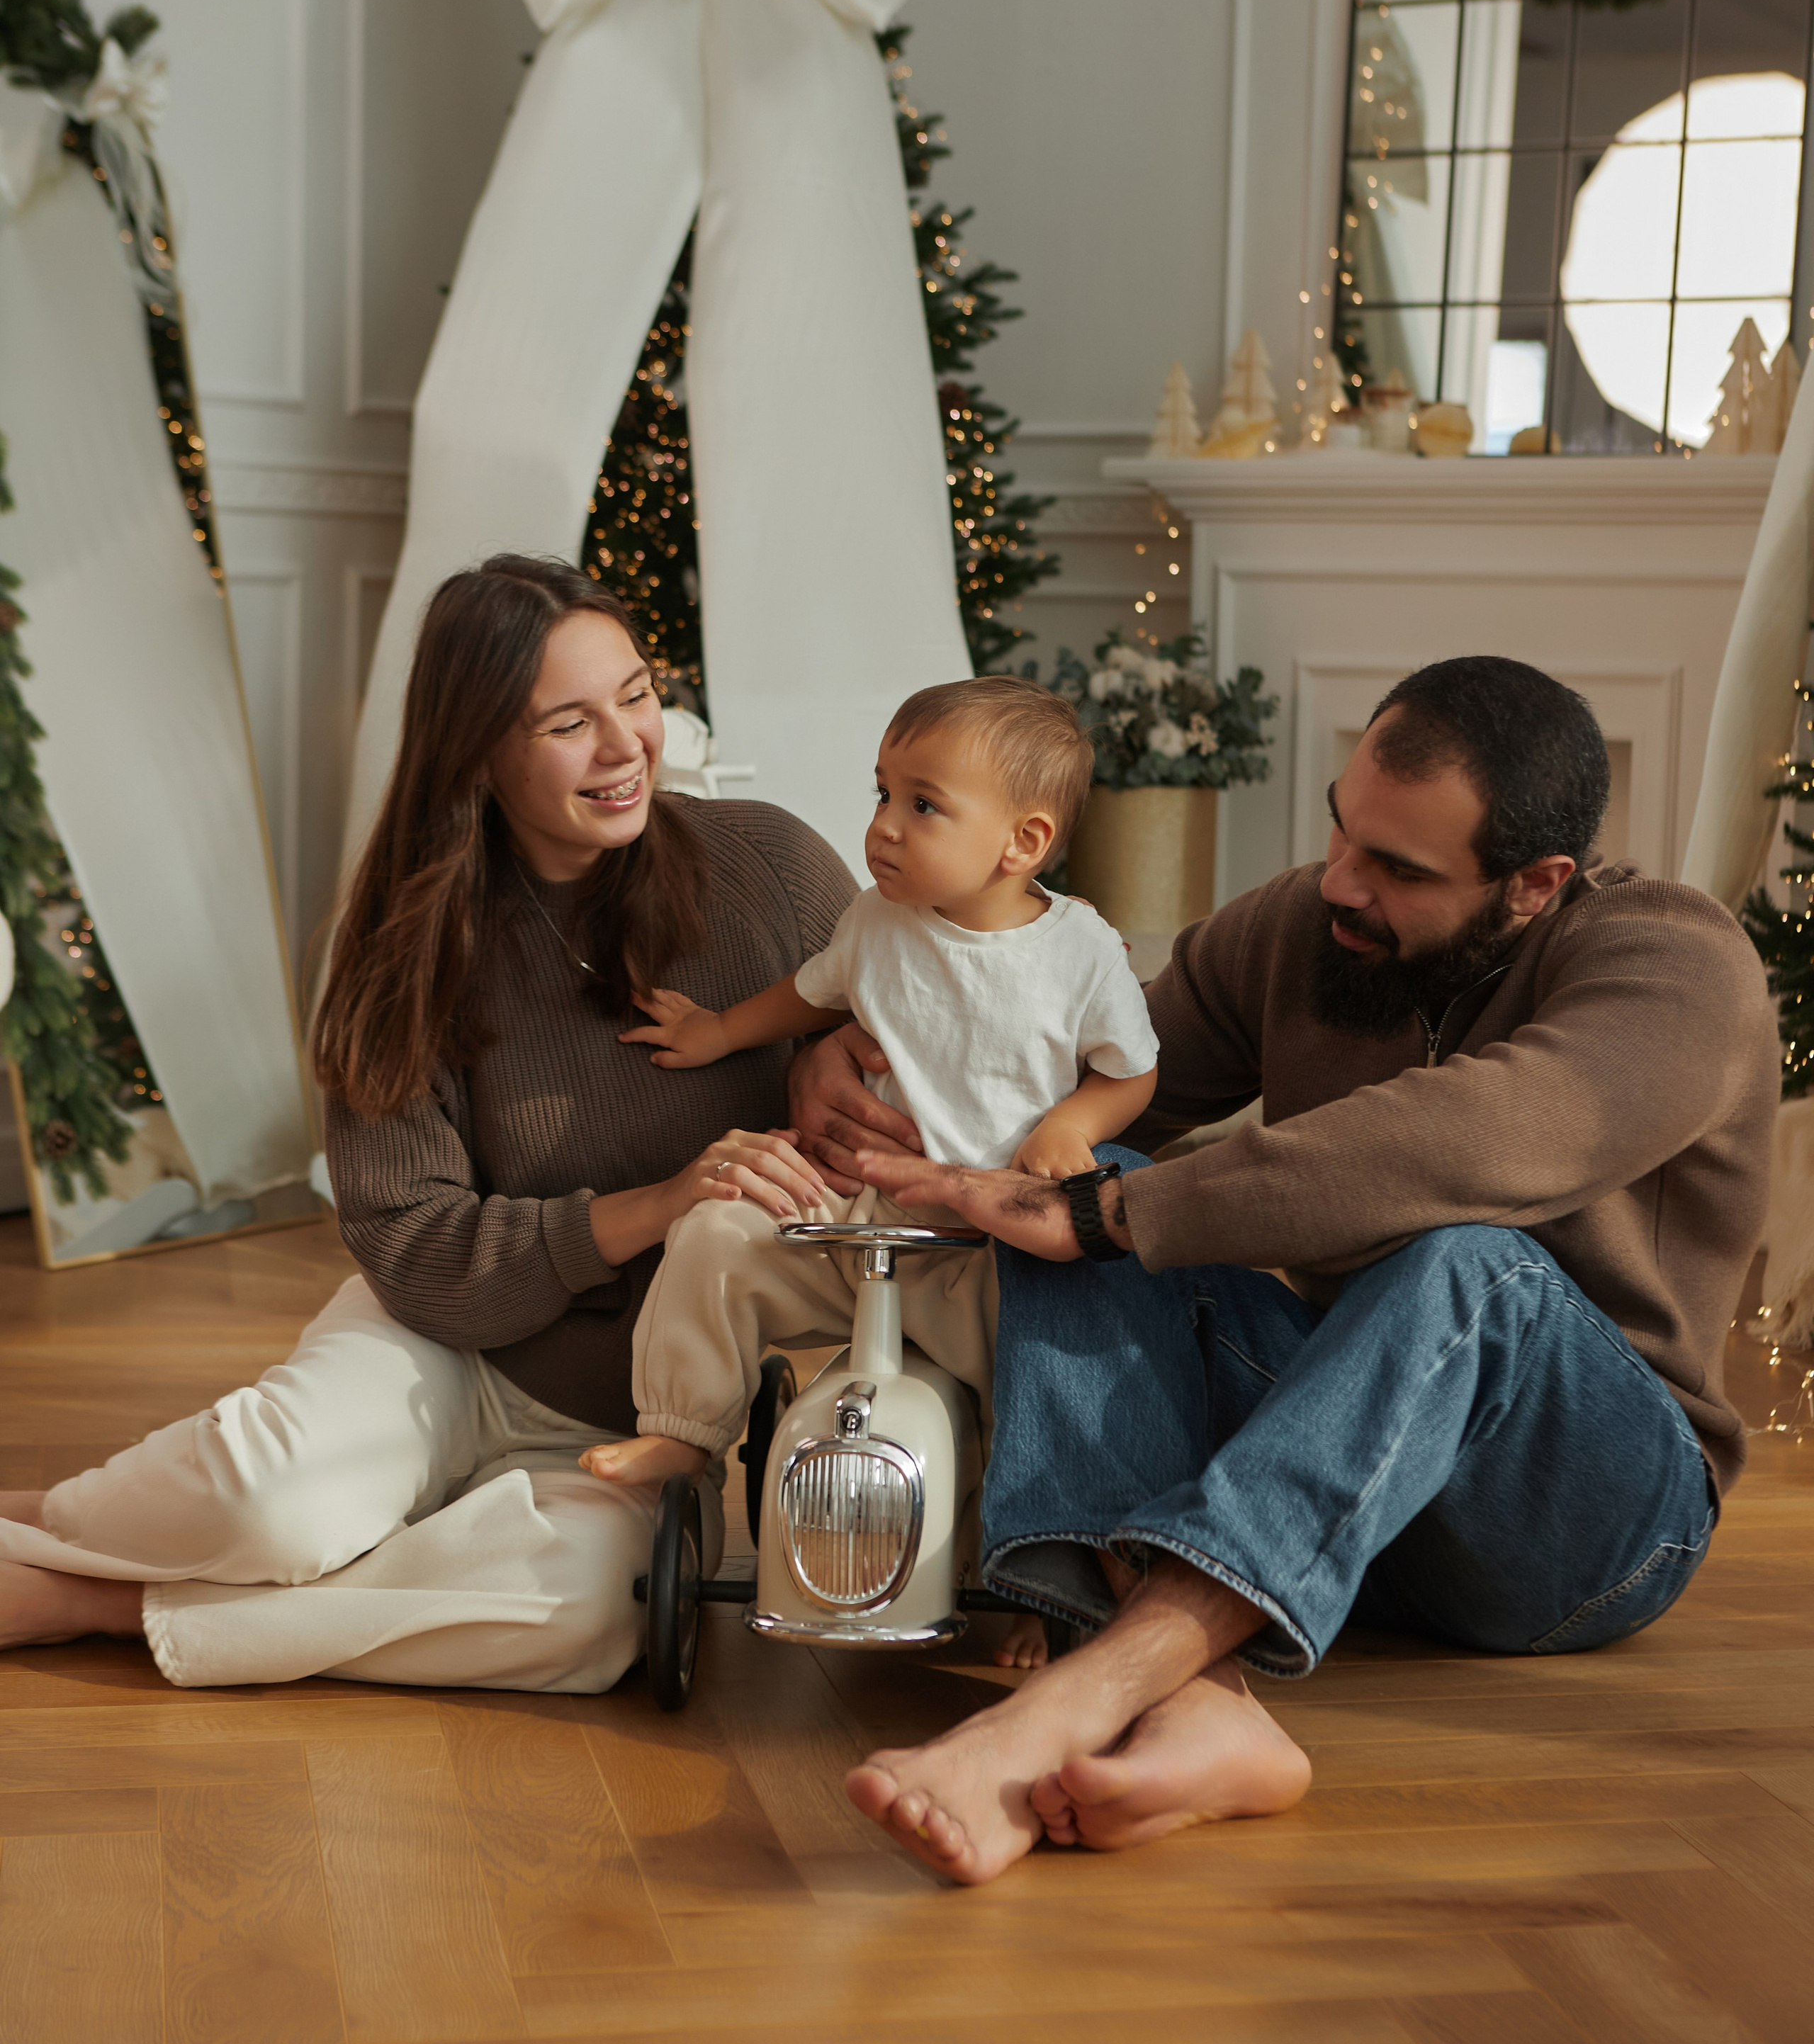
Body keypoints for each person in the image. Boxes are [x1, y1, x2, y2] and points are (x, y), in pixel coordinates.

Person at [782, 656, 1780, 1885]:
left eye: (1400, 870)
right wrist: (848, 1059)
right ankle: (1196, 1699)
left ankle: (1076, 1705)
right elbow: (1062, 1080)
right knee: (1087, 1174)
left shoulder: (1675, 965)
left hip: (1585, 1521)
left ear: (1535, 887)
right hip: (1345, 1479)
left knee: (1461, 1261)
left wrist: (1109, 1211)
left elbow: (1471, 1141)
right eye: (1340, 832)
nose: (1342, 886)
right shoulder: (1308, 928)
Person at [0, 556, 848, 1690]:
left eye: (637, 696)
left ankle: (97, 1594)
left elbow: (914, 1055)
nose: (625, 745)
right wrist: (654, 1205)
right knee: (273, 1499)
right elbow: (414, 1251)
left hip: (631, 1414)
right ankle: (67, 1520)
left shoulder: (774, 870)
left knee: (596, 1616)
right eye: (567, 722)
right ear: (480, 747)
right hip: (438, 1345)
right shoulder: (403, 941)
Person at [582, 675, 1156, 1505]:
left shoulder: (1082, 952)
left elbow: (1133, 1068)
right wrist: (718, 1031)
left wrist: (1074, 1122)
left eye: (923, 806)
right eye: (883, 792)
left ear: (1021, 843)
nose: (882, 825)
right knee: (713, 1233)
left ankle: (1035, 1554)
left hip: (990, 1250)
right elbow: (811, 994)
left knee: (1045, 1381)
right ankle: (680, 1431)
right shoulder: (874, 920)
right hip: (854, 1220)